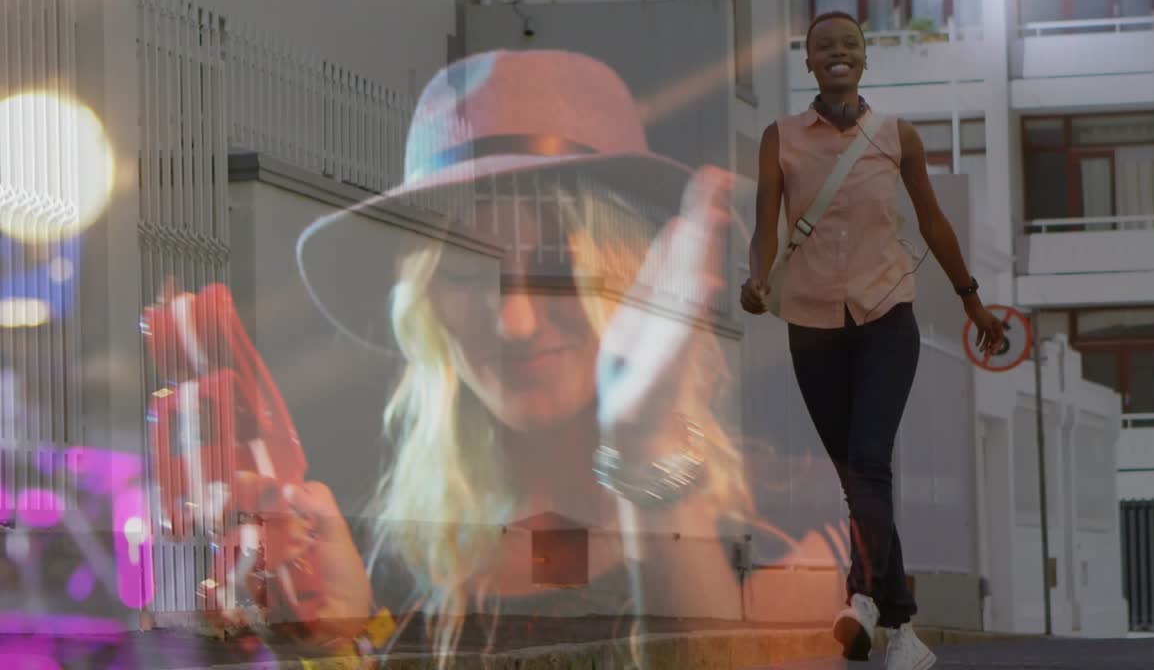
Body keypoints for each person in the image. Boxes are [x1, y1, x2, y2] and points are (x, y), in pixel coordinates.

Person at [215, 49, 759, 668]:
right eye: (469, 277)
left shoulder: (760, 544)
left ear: (632, 271)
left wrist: (646, 445)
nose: (516, 322)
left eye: (559, 269)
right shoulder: (400, 561)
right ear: (423, 303)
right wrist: (331, 641)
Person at [739, 11, 1006, 669]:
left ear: (864, 59)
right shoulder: (780, 139)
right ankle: (904, 636)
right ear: (807, 62)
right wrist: (757, 280)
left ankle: (860, 598)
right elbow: (766, 227)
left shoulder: (897, 136)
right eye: (824, 47)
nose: (837, 54)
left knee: (869, 461)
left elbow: (934, 221)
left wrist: (973, 301)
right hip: (811, 324)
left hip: (887, 316)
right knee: (855, 478)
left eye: (849, 45)